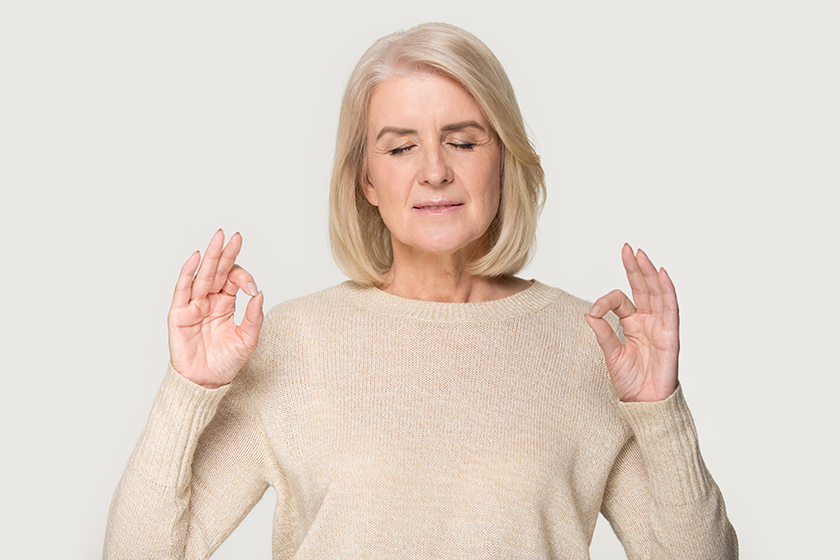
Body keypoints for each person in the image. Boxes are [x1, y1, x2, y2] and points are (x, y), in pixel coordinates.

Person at [104, 22, 737, 559]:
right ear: (367, 181)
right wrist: (189, 389)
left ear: (504, 159)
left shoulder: (592, 344)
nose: (435, 170)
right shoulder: (292, 344)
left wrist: (660, 409)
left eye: (463, 141)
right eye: (401, 147)